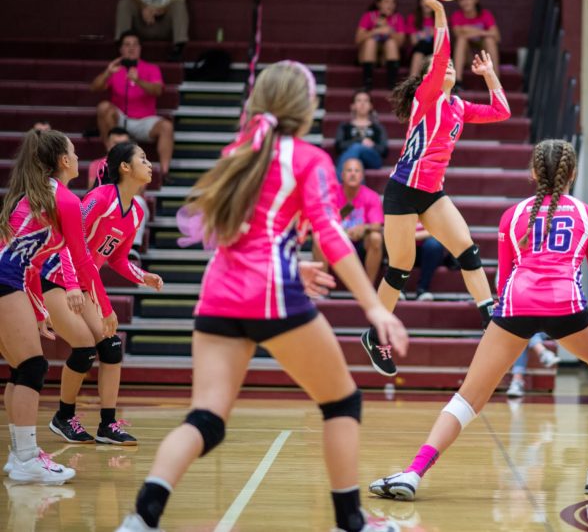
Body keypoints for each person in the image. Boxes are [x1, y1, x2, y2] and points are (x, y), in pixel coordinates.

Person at [116, 61, 408, 532]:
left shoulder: (239, 149)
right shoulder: (309, 158)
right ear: (305, 107)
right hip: (270, 293)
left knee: (206, 419)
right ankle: (350, 524)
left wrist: (294, 263)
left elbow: (238, 234)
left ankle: (141, 519)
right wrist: (373, 306)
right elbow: (332, 234)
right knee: (342, 403)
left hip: (218, 295)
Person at [369, 139, 588, 500]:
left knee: (469, 398)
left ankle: (413, 473)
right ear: (572, 173)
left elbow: (503, 280)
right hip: (567, 307)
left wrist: (513, 322)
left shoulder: (512, 216)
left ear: (532, 173)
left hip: (515, 306)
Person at [360, 0, 511, 377]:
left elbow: (501, 112)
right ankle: (376, 335)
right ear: (427, 75)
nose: (443, 66)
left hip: (431, 192)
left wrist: (491, 74)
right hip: (403, 190)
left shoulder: (460, 106)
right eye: (435, 65)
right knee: (399, 270)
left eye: (446, 66)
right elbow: (442, 50)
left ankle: (489, 318)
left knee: (469, 251)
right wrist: (438, 10)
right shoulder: (426, 100)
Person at [38, 141, 164, 448]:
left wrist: (141, 275)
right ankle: (63, 417)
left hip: (83, 283)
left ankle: (108, 425)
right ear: (124, 167)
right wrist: (71, 286)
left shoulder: (134, 213)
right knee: (83, 349)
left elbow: (117, 259)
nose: (150, 165)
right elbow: (68, 242)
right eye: (143, 160)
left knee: (111, 347)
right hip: (56, 276)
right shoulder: (98, 199)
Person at [0, 129, 97, 484]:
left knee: (19, 368)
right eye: (72, 151)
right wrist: (102, 305)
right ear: (63, 161)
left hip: (10, 281)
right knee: (32, 366)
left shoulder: (33, 197)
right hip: (4, 280)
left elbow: (33, 265)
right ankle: (26, 457)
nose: (76, 157)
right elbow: (83, 259)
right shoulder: (64, 201)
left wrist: (39, 313)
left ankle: (19, 455)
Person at [91, 32, 176, 183]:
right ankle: (112, 160)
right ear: (121, 49)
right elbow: (94, 88)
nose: (131, 48)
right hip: (120, 118)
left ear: (140, 48)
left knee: (167, 126)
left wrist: (138, 80)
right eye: (127, 45)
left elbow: (157, 90)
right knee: (104, 107)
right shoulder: (115, 69)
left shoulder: (150, 68)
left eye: (135, 44)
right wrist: (107, 73)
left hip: (144, 120)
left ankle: (164, 172)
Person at [315, 157, 383, 284]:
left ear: (362, 176)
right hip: (336, 241)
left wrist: (364, 228)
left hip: (361, 243)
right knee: (318, 237)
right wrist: (342, 232)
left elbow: (377, 226)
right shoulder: (331, 194)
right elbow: (322, 221)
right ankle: (322, 286)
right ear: (342, 175)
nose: (353, 174)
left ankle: (368, 287)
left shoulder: (371, 196)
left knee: (376, 237)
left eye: (356, 171)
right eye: (349, 170)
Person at [452, 0, 501, 90]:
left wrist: (471, 30)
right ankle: (458, 82)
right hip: (468, 57)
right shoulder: (457, 16)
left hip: (484, 58)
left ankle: (495, 81)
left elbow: (497, 37)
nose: (465, 2)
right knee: (461, 40)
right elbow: (458, 35)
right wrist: (485, 32)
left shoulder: (485, 14)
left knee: (489, 40)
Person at [356, 0, 406, 90]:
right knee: (371, 42)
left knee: (391, 43)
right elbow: (358, 39)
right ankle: (367, 83)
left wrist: (390, 31)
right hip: (368, 55)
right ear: (378, 3)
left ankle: (392, 84)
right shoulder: (369, 16)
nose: (390, 5)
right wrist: (376, 31)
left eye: (393, 2)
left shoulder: (398, 18)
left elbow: (401, 43)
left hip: (386, 57)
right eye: (386, 1)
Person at [334, 89, 388, 171]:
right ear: (353, 106)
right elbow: (338, 147)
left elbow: (384, 151)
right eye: (359, 100)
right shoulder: (344, 127)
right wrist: (360, 141)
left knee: (357, 149)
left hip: (373, 160)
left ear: (371, 106)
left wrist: (372, 145)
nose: (362, 104)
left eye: (366, 101)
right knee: (356, 156)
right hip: (352, 159)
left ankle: (341, 180)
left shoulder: (378, 128)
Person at [506, 333, 559, 398]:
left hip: (544, 330)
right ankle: (543, 353)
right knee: (524, 334)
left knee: (525, 333)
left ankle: (517, 382)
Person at [406, 0, 436, 80]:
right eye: (424, 0)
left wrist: (420, 34)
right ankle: (412, 85)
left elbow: (442, 42)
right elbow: (414, 41)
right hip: (417, 51)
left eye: (430, 0)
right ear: (420, 2)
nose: (427, 3)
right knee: (420, 48)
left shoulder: (440, 18)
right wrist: (430, 33)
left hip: (434, 52)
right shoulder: (413, 17)